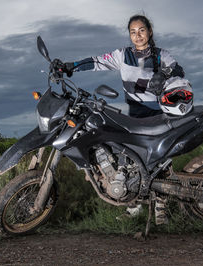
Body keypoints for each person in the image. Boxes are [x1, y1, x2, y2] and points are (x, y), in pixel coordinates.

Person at [52, 14, 193, 224]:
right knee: (129, 158)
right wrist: (70, 66)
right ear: (130, 35)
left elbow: (177, 69)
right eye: (133, 32)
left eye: (142, 30)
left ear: (150, 32)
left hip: (160, 112)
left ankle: (161, 207)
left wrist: (163, 75)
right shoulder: (123, 55)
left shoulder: (161, 55)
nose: (138, 35)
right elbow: (96, 62)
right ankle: (134, 205)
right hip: (135, 113)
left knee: (161, 160)